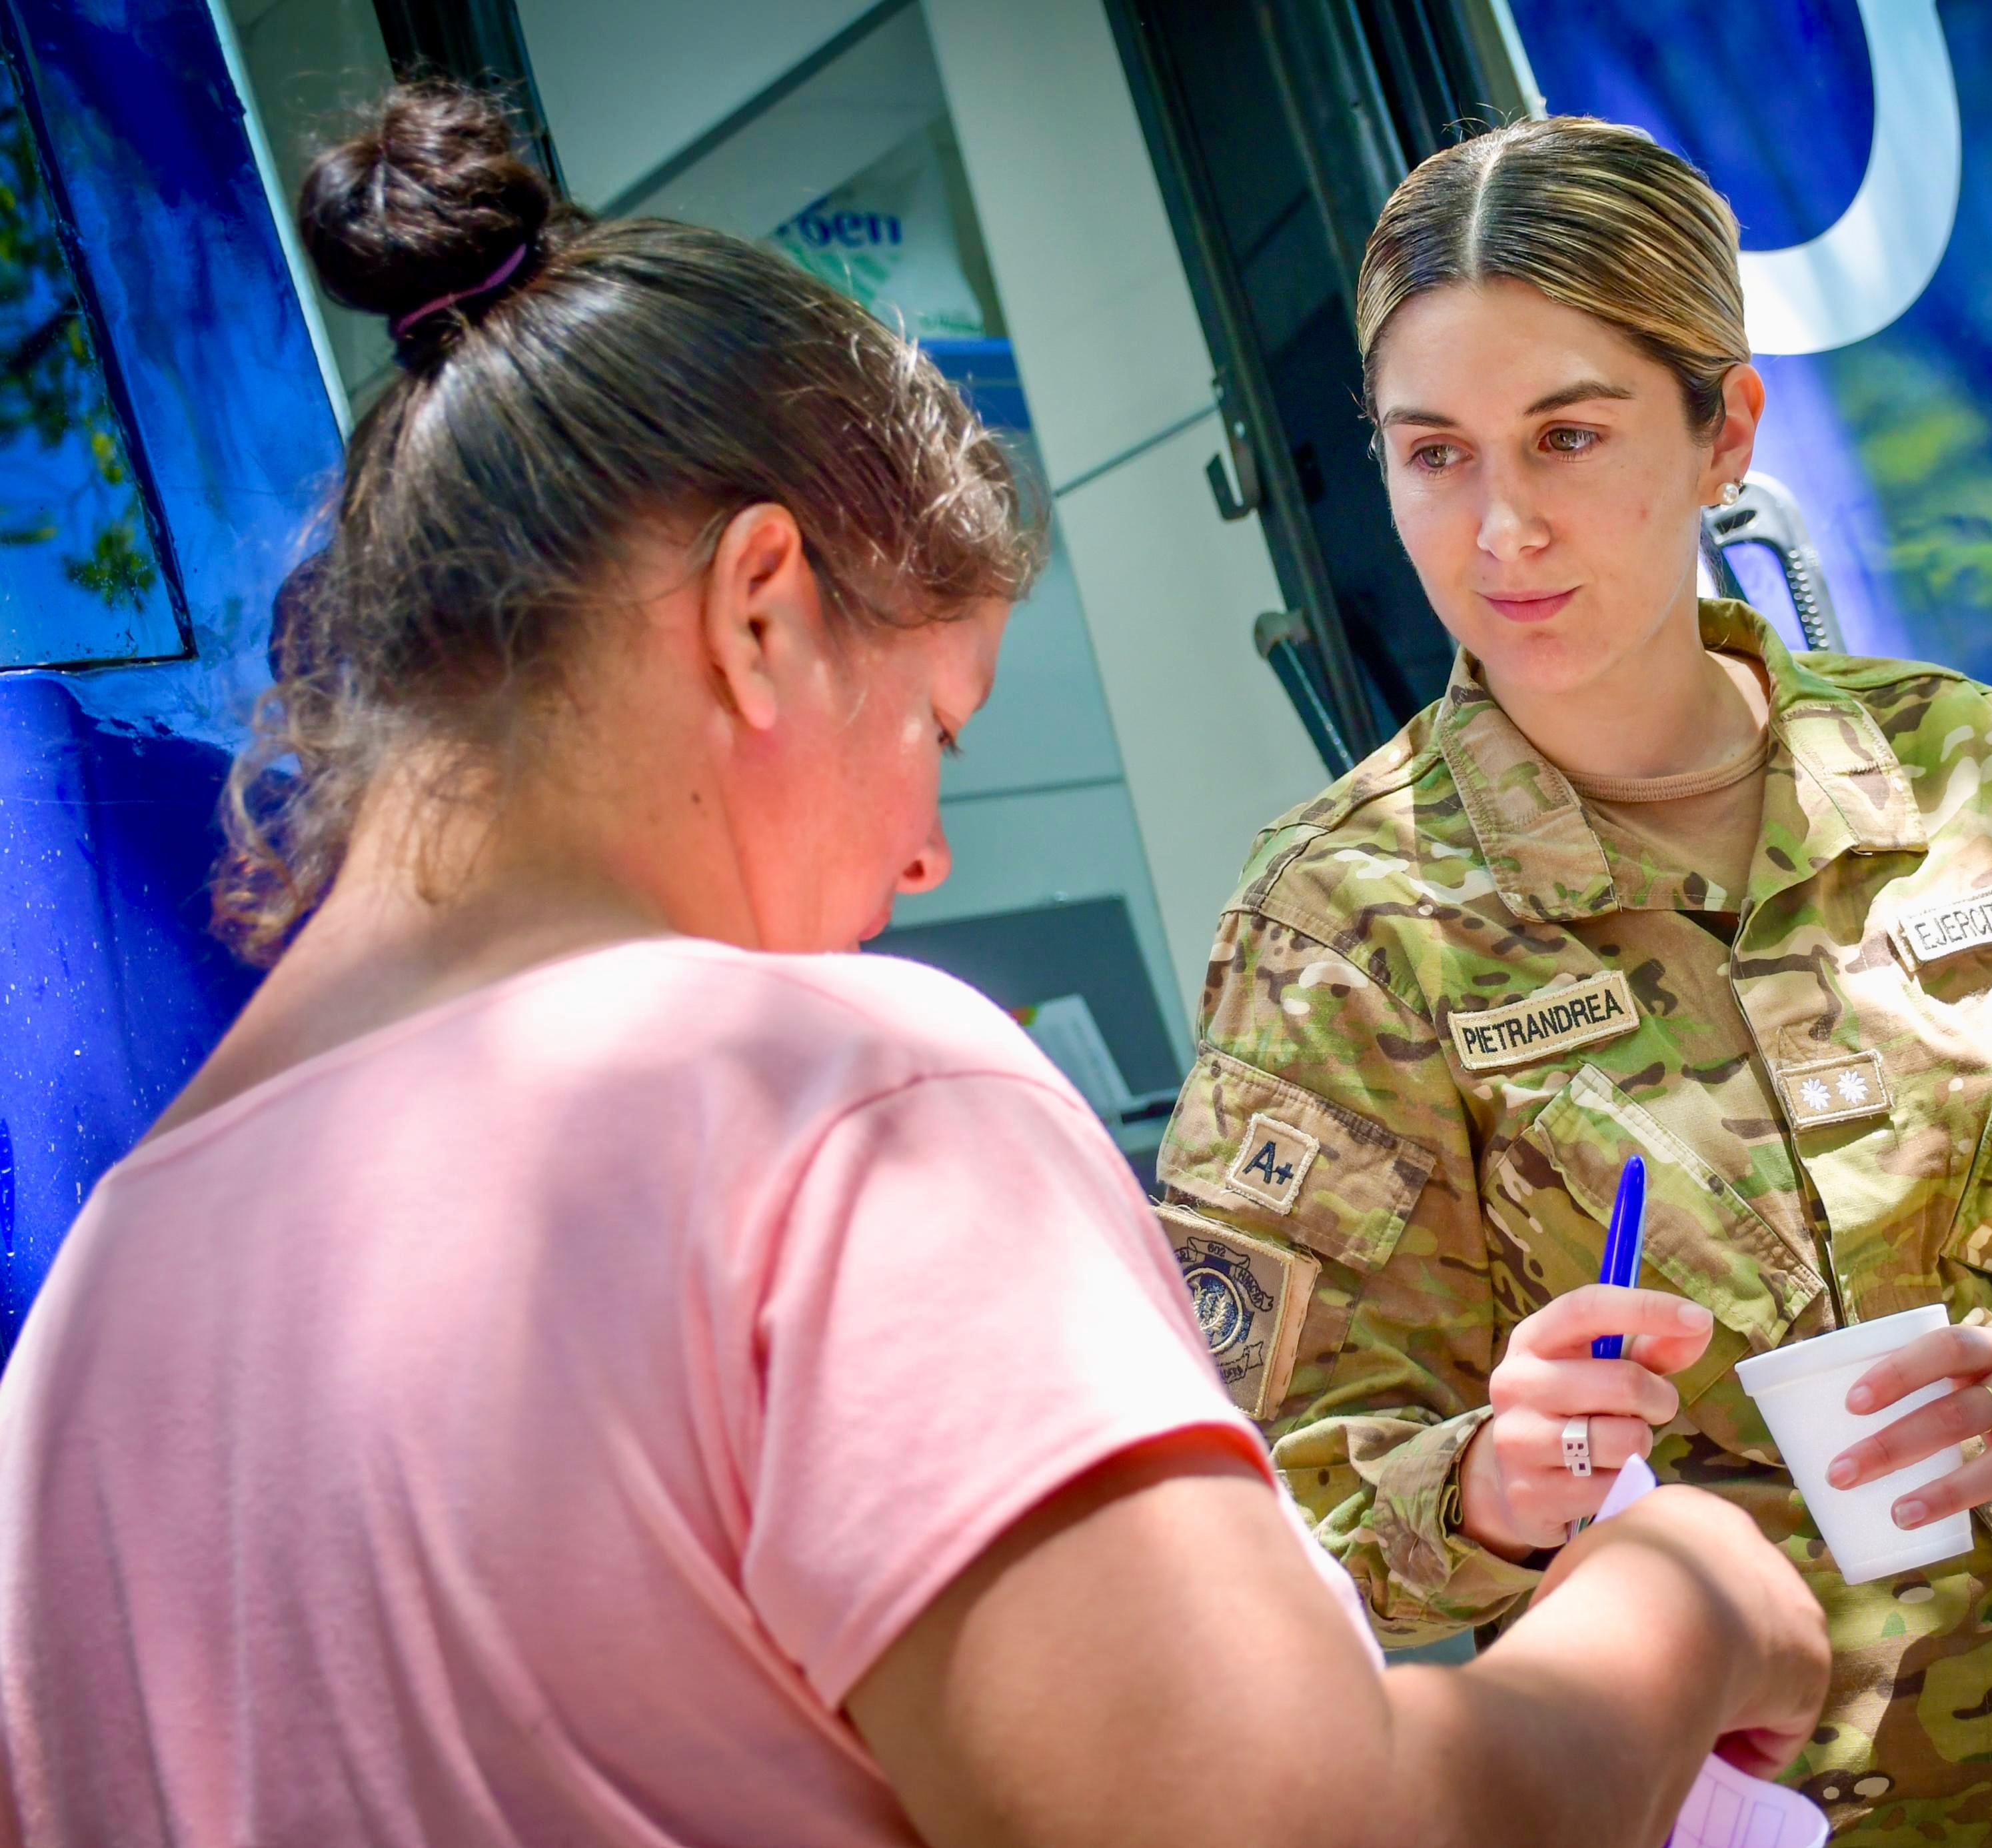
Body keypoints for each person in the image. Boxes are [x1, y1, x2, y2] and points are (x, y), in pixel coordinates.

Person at [0, 87, 1831, 1848]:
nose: (927, 854)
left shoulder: (83, 1333)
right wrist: (1674, 1613)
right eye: (938, 729)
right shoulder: (835, 1111)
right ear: (762, 613)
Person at [1156, 115, 1992, 1847]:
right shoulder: (1343, 922)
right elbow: (1271, 1508)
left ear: (1727, 433)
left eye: (1568, 436)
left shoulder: (1957, 767)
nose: (1500, 530)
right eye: (1434, 455)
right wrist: (1492, 1475)